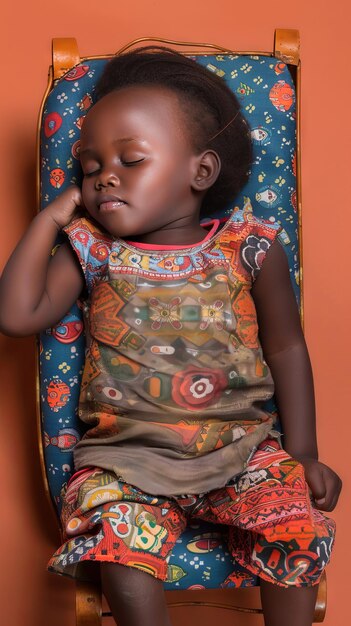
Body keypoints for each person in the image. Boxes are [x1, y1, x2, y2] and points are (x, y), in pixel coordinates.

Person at [0, 47, 341, 626]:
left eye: (131, 159)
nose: (103, 175)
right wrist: (52, 219)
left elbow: (287, 348)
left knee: (294, 525)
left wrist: (303, 453)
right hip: (125, 460)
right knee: (122, 553)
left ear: (200, 172)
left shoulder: (250, 247)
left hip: (240, 450)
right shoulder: (92, 250)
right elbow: (17, 314)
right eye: (89, 167)